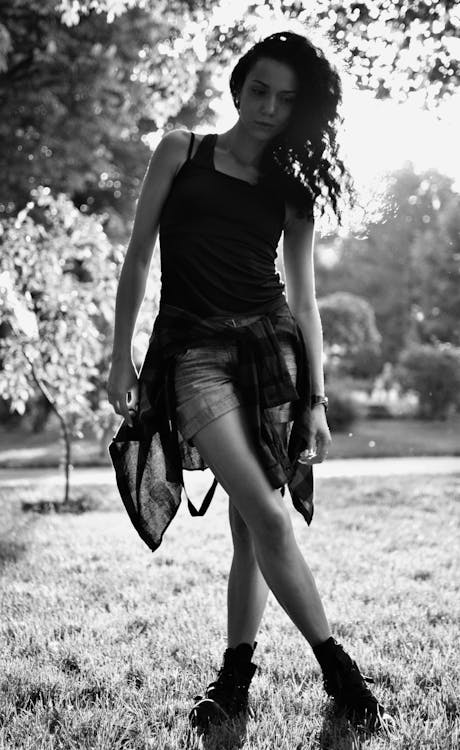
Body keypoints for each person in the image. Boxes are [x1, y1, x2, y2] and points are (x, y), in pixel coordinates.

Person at [107, 31, 388, 734]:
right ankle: (340, 673)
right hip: (193, 352)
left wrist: (317, 399)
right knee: (269, 514)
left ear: (301, 111)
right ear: (238, 86)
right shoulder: (182, 149)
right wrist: (121, 355)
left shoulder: (293, 191)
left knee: (249, 528)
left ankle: (234, 679)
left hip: (271, 354)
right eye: (259, 90)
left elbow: (305, 298)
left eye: (286, 100)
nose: (267, 107)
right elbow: (139, 255)